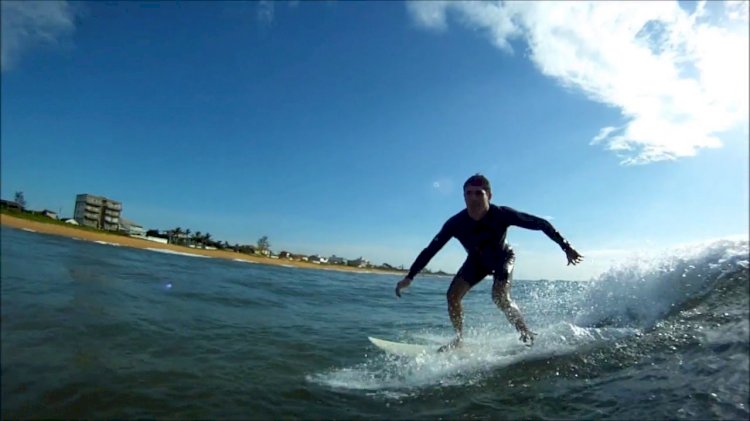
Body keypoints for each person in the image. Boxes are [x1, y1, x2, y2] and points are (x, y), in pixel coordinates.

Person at [395, 174, 583, 350]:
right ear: (463, 196)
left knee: (499, 296)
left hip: (503, 258)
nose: (473, 197)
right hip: (477, 262)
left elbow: (541, 223)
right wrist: (409, 277)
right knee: (452, 296)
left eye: (479, 193)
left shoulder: (501, 214)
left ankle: (526, 333)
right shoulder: (455, 223)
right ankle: (459, 339)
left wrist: (565, 246)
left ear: (489, 195)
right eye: (468, 193)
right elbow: (431, 249)